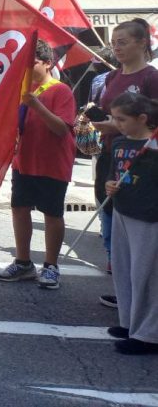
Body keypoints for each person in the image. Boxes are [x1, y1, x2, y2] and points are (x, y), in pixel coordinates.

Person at [0, 40, 76, 290]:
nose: (28, 68)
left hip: (52, 164)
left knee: (52, 213)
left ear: (48, 63)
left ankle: (50, 265)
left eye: (34, 63)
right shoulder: (22, 88)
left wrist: (35, 104)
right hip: (24, 161)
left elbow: (61, 128)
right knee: (19, 209)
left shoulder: (60, 90)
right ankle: (23, 261)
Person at [90, 19, 158, 301]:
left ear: (142, 43)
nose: (116, 48)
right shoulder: (111, 76)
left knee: (137, 220)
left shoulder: (151, 78)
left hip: (142, 157)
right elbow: (111, 113)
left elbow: (152, 121)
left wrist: (116, 125)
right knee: (111, 212)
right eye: (113, 42)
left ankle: (140, 291)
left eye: (123, 42)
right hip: (111, 151)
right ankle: (123, 284)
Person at [103, 92, 158, 355]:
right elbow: (113, 173)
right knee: (124, 270)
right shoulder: (119, 143)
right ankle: (128, 321)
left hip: (149, 216)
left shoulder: (155, 145)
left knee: (144, 275)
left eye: (122, 119)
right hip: (123, 212)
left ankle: (148, 334)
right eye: (114, 118)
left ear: (143, 118)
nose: (117, 124)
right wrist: (109, 185)